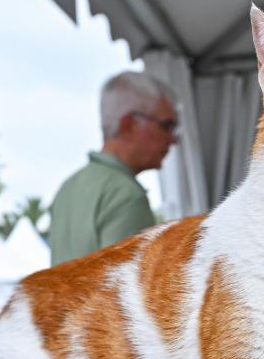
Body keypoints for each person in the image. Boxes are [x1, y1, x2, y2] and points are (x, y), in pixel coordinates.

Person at [47, 71, 178, 265]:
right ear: (129, 125)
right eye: (166, 125)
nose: (173, 139)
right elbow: (125, 293)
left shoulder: (69, 186)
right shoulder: (125, 194)